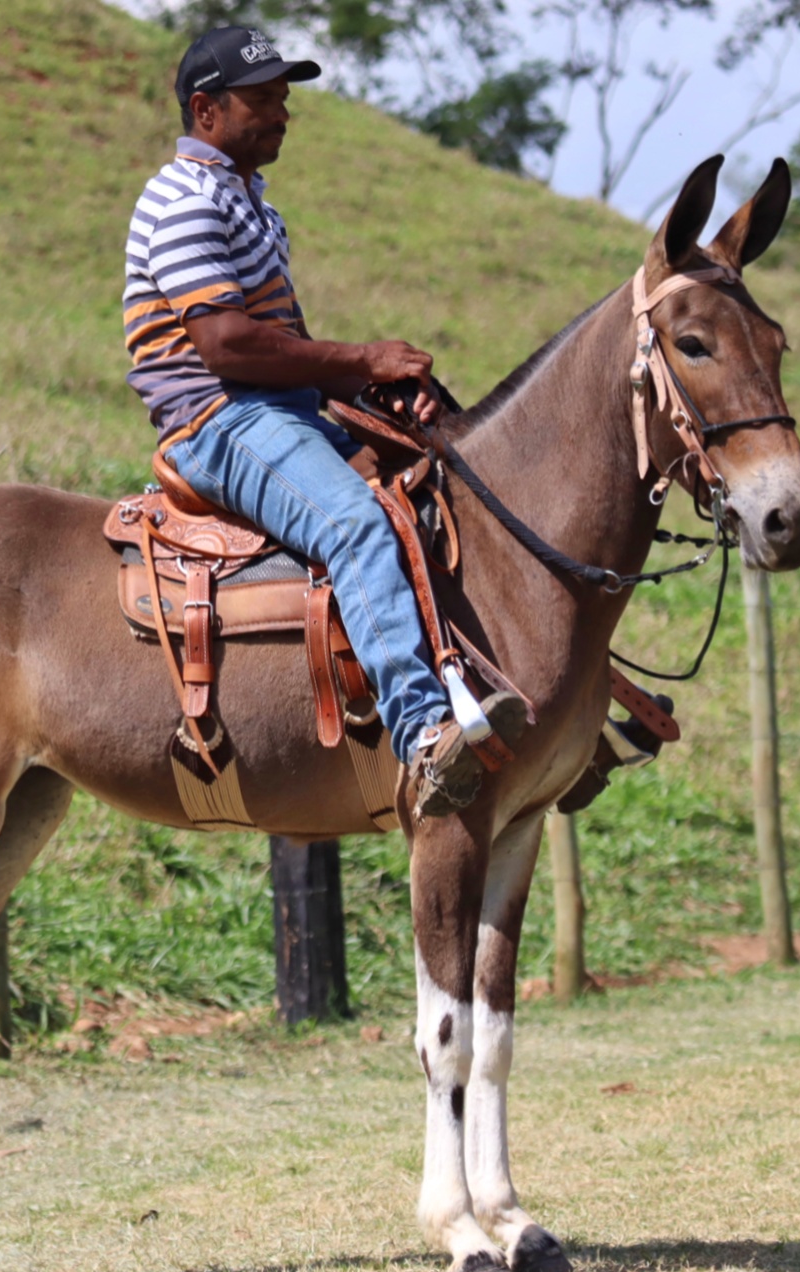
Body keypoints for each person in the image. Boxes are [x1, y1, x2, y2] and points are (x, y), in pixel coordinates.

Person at [122, 26, 522, 817]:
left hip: (278, 407)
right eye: (263, 100)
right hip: (219, 418)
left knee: (434, 483)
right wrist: (362, 360)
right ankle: (422, 733)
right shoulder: (182, 200)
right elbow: (226, 343)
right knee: (355, 525)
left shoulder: (246, 201)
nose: (281, 115)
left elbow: (282, 346)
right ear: (205, 109)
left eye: (284, 99)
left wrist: (370, 393)